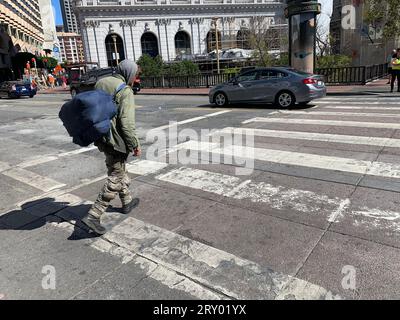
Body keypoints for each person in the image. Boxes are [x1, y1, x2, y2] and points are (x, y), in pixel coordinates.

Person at [81, 59, 141, 235]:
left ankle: (127, 202)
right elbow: (127, 124)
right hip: (116, 140)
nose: (135, 78)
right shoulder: (125, 90)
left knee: (117, 169)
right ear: (129, 73)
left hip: (101, 136)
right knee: (116, 176)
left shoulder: (101, 82)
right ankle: (94, 215)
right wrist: (135, 144)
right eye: (135, 74)